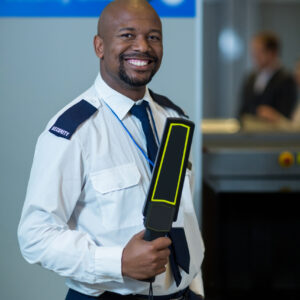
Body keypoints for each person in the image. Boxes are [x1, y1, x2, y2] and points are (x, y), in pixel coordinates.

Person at [17, 1, 205, 299]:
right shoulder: (74, 131)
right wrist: (118, 262)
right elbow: (34, 237)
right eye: (127, 35)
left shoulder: (175, 120)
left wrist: (194, 286)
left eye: (153, 37)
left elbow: (184, 219)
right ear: (99, 46)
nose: (142, 46)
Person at [239, 31, 297, 122]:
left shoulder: (286, 79)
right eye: (253, 52)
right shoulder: (251, 78)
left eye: (258, 52)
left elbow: (287, 115)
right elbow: (242, 111)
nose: (254, 56)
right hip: (250, 133)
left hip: (274, 134)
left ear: (272, 53)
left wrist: (274, 116)